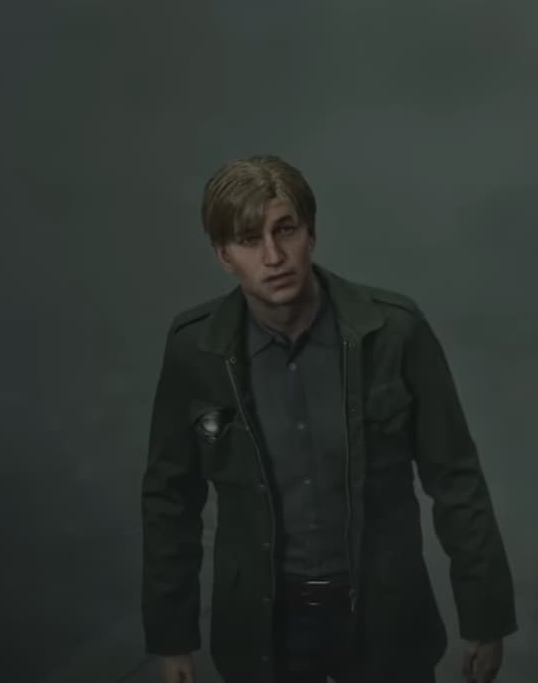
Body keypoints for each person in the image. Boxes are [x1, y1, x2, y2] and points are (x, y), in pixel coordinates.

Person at [141, 155, 516, 683]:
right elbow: (170, 498)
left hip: (386, 616)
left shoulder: (393, 331)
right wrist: (171, 638)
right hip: (263, 627)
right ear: (224, 255)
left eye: (285, 230)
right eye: (249, 239)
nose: (273, 256)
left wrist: (485, 617)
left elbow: (456, 478)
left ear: (310, 234)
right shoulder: (195, 351)